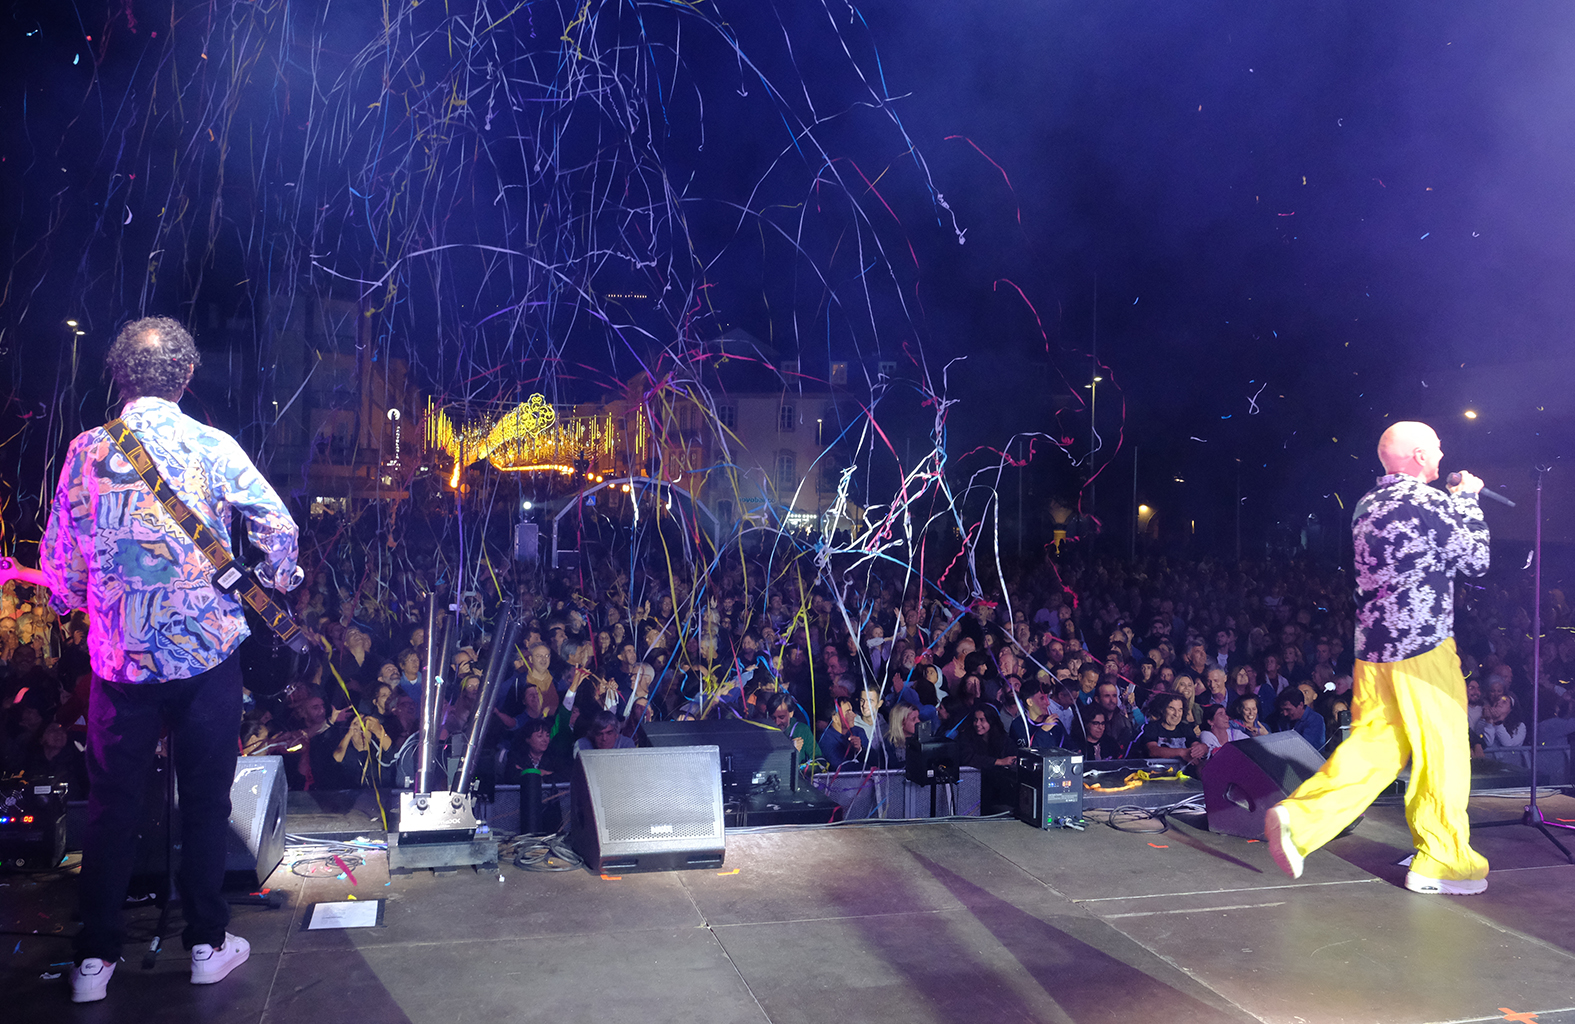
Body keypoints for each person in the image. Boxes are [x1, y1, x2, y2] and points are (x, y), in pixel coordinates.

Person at [34, 317, 302, 1001]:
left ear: (119, 374)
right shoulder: (211, 444)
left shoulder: (85, 451)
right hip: (206, 655)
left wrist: (82, 601)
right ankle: (208, 944)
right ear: (185, 375)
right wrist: (277, 578)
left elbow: (60, 562)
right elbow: (277, 527)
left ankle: (93, 962)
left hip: (118, 664)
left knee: (111, 808)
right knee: (206, 803)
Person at [1266, 421, 1492, 895]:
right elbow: (1474, 561)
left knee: (1375, 748)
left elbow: (1418, 548)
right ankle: (1443, 861)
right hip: (1424, 647)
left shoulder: (1368, 504)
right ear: (1415, 455)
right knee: (1445, 753)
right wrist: (1467, 500)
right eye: (1434, 447)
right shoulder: (1428, 501)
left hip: (1374, 649)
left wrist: (1448, 502)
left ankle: (1299, 819)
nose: (1441, 453)